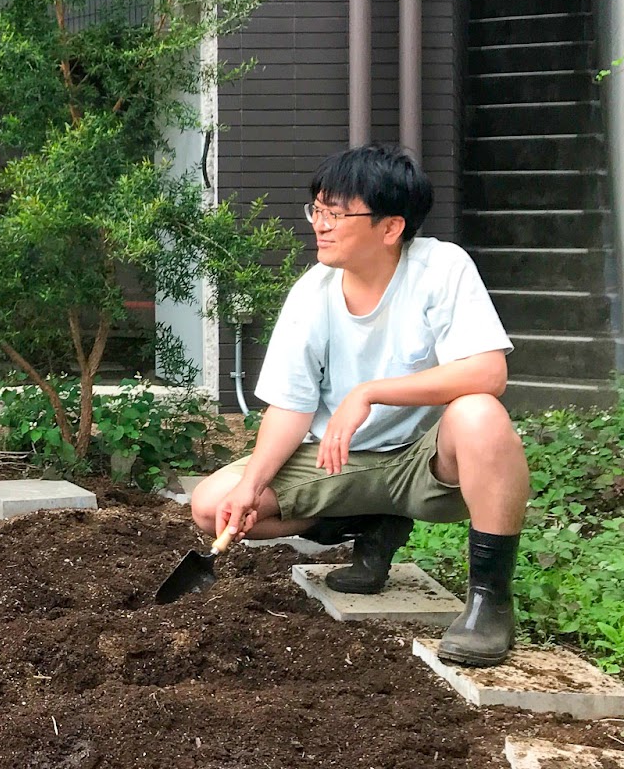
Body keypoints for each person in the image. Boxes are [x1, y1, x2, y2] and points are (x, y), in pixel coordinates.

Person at [188, 144, 529, 667]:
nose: (319, 225)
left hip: (426, 461)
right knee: (214, 506)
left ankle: (488, 601)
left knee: (480, 413)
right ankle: (367, 522)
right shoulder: (313, 292)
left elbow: (489, 372)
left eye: (335, 214)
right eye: (316, 210)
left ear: (391, 228)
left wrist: (369, 392)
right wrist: (253, 485)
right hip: (338, 457)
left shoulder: (441, 267)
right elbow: (290, 408)